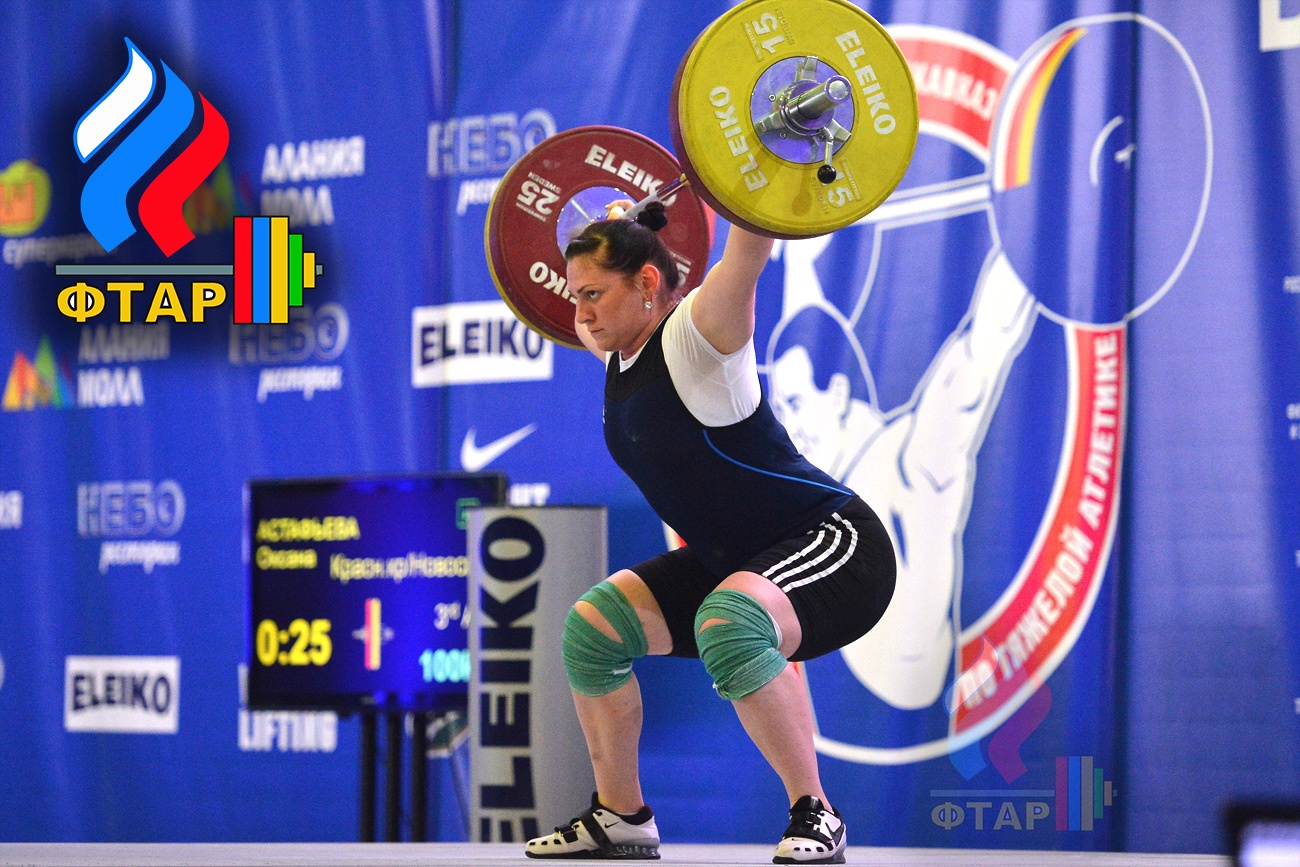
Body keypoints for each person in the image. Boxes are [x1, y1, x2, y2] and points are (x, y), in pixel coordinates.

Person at [523, 200, 896, 865]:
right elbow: (591, 305)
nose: (581, 312)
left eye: (593, 294)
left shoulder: (700, 335)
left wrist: (752, 174)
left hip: (837, 544)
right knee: (592, 631)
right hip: (736, 560)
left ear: (647, 283)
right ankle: (621, 815)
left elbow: (749, 247)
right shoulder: (615, 351)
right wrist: (616, 227)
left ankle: (817, 811)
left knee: (729, 621)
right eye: (575, 295)